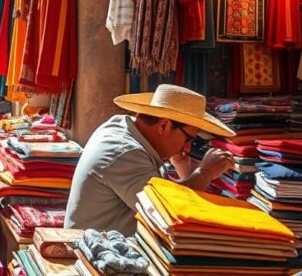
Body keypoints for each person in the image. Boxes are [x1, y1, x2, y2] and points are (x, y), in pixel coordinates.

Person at [65, 84, 236, 235]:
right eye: (188, 138)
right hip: (99, 256)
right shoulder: (125, 153)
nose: (188, 147)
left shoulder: (124, 128)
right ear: (164, 126)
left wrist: (180, 163)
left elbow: (176, 193)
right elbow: (169, 209)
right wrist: (206, 172)